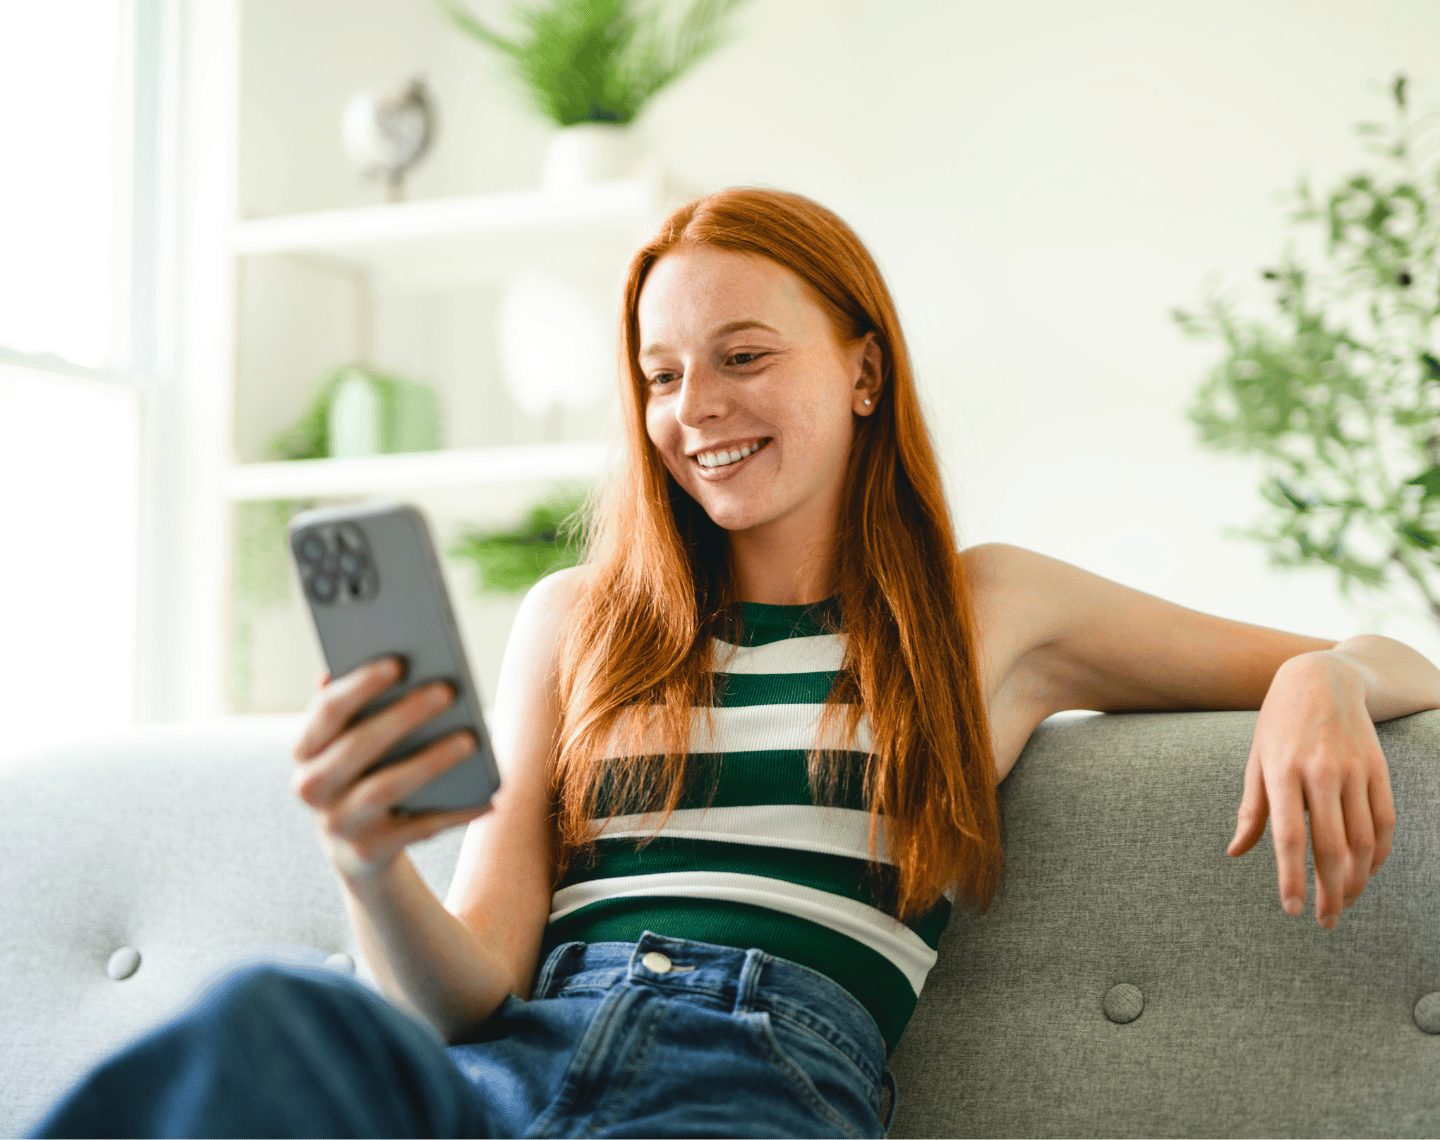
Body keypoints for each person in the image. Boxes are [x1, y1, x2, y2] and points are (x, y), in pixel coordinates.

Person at [26, 187, 1439, 1139]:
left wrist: (1320, 680)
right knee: (260, 1026)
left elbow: (1393, 658)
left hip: (751, 1078)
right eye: (659, 374)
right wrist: (366, 861)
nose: (695, 409)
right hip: (500, 1073)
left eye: (745, 356)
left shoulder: (984, 614)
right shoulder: (577, 622)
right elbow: (464, 989)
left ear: (863, 368)